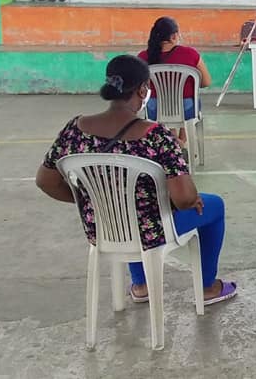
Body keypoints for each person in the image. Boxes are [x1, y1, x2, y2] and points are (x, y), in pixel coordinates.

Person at [34, 55, 237, 305]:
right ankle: (207, 287)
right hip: (151, 229)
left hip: (103, 228)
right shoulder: (157, 136)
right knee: (214, 205)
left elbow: (45, 181)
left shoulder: (74, 130)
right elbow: (184, 199)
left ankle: (140, 285)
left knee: (127, 205)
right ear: (143, 90)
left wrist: (98, 202)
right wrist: (189, 196)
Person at [138, 17, 212, 145]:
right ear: (173, 36)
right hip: (186, 109)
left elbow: (139, 85)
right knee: (189, 103)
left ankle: (174, 142)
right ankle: (181, 142)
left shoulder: (143, 56)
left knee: (165, 107)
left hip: (155, 109)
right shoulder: (190, 54)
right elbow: (206, 82)